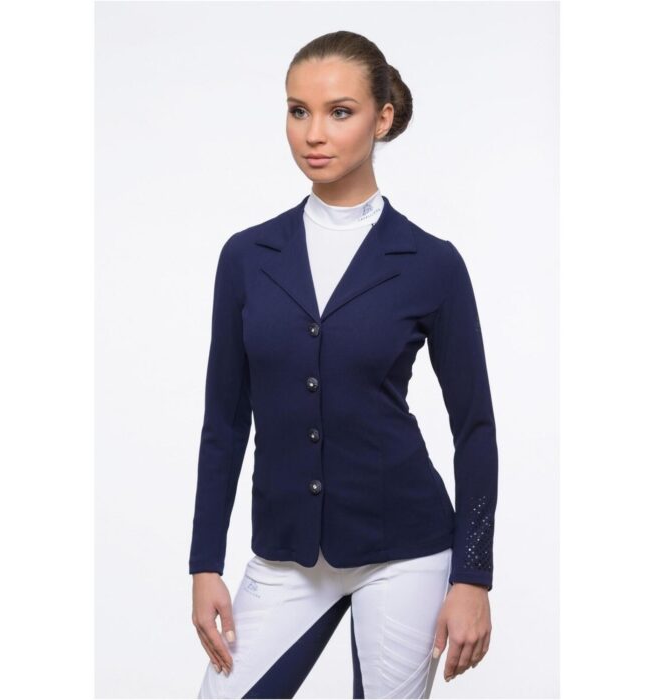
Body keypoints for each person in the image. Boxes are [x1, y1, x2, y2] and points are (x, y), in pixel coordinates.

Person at [190, 30, 498, 699]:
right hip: (286, 552)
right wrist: (204, 563)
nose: (313, 133)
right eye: (298, 110)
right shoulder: (247, 257)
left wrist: (473, 575)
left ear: (382, 118)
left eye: (339, 112)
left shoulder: (431, 263)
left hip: (407, 550)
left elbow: (475, 429)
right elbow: (224, 422)